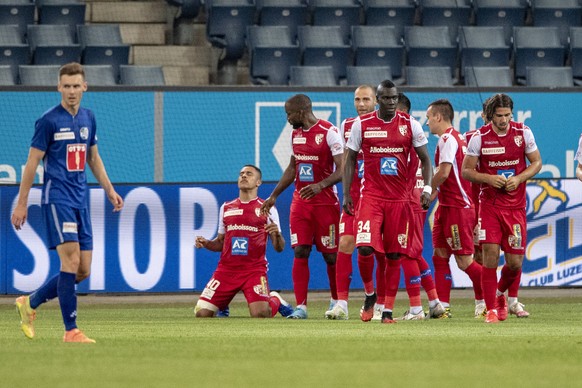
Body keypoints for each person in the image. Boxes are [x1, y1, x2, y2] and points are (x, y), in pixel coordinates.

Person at [12, 62, 124, 343]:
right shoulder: (48, 120)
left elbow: (93, 158)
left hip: (80, 198)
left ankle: (30, 303)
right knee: (71, 260)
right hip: (57, 197)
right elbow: (32, 163)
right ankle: (71, 331)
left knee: (83, 270)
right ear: (58, 87)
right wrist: (22, 202)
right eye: (67, 86)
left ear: (85, 87)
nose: (72, 91)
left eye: (76, 85)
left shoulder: (88, 117)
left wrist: (109, 190)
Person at [343, 80, 433, 324]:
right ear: (378, 99)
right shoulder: (361, 125)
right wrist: (346, 194)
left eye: (394, 98)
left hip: (400, 200)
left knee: (394, 256)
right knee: (364, 248)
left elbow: (426, 160)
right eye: (386, 98)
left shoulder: (410, 125)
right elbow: (349, 159)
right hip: (371, 197)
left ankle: (388, 312)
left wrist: (426, 188)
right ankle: (371, 294)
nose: (392, 102)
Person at [260, 94, 344, 319]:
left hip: (326, 204)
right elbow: (292, 168)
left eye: (289, 114)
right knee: (300, 250)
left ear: (301, 112)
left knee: (331, 256)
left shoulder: (330, 132)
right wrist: (274, 195)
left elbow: (343, 169)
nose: (287, 118)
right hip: (301, 203)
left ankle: (337, 302)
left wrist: (321, 185)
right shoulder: (296, 134)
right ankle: (302, 307)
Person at [462, 93, 542, 323]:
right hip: (490, 207)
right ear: (490, 116)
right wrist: (488, 178)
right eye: (499, 115)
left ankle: (499, 295)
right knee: (490, 257)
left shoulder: (523, 133)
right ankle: (492, 311)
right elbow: (466, 171)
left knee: (515, 263)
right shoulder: (479, 137)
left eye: (507, 115)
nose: (504, 120)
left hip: (515, 208)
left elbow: (536, 162)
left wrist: (519, 178)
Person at [194, 165, 294, 318]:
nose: (243, 176)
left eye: (249, 174)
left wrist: (277, 235)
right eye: (241, 174)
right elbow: (221, 243)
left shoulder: (267, 209)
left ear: (258, 182)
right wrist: (206, 243)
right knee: (202, 314)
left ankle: (275, 300)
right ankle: (222, 305)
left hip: (254, 271)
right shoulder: (226, 207)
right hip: (226, 271)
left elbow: (279, 248)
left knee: (261, 314)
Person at [324, 85, 385, 320]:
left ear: (376, 101)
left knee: (378, 250)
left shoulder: (385, 124)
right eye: (357, 99)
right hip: (355, 196)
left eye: (366, 99)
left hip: (378, 195)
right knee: (346, 244)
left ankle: (378, 301)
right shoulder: (347, 125)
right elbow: (346, 163)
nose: (361, 104)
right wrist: (346, 193)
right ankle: (342, 303)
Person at [426, 99, 484, 319]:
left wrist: (425, 190)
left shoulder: (448, 139)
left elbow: (444, 173)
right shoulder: (456, 138)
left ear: (439, 117)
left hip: (458, 208)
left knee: (464, 261)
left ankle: (493, 296)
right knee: (439, 256)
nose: (427, 122)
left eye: (429, 117)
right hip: (446, 206)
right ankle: (442, 306)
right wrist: (432, 196)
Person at [395, 93, 446, 321]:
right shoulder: (413, 134)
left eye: (391, 106)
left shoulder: (402, 133)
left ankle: (416, 309)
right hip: (417, 198)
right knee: (414, 254)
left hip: (407, 200)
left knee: (405, 253)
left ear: (402, 110)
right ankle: (434, 302)